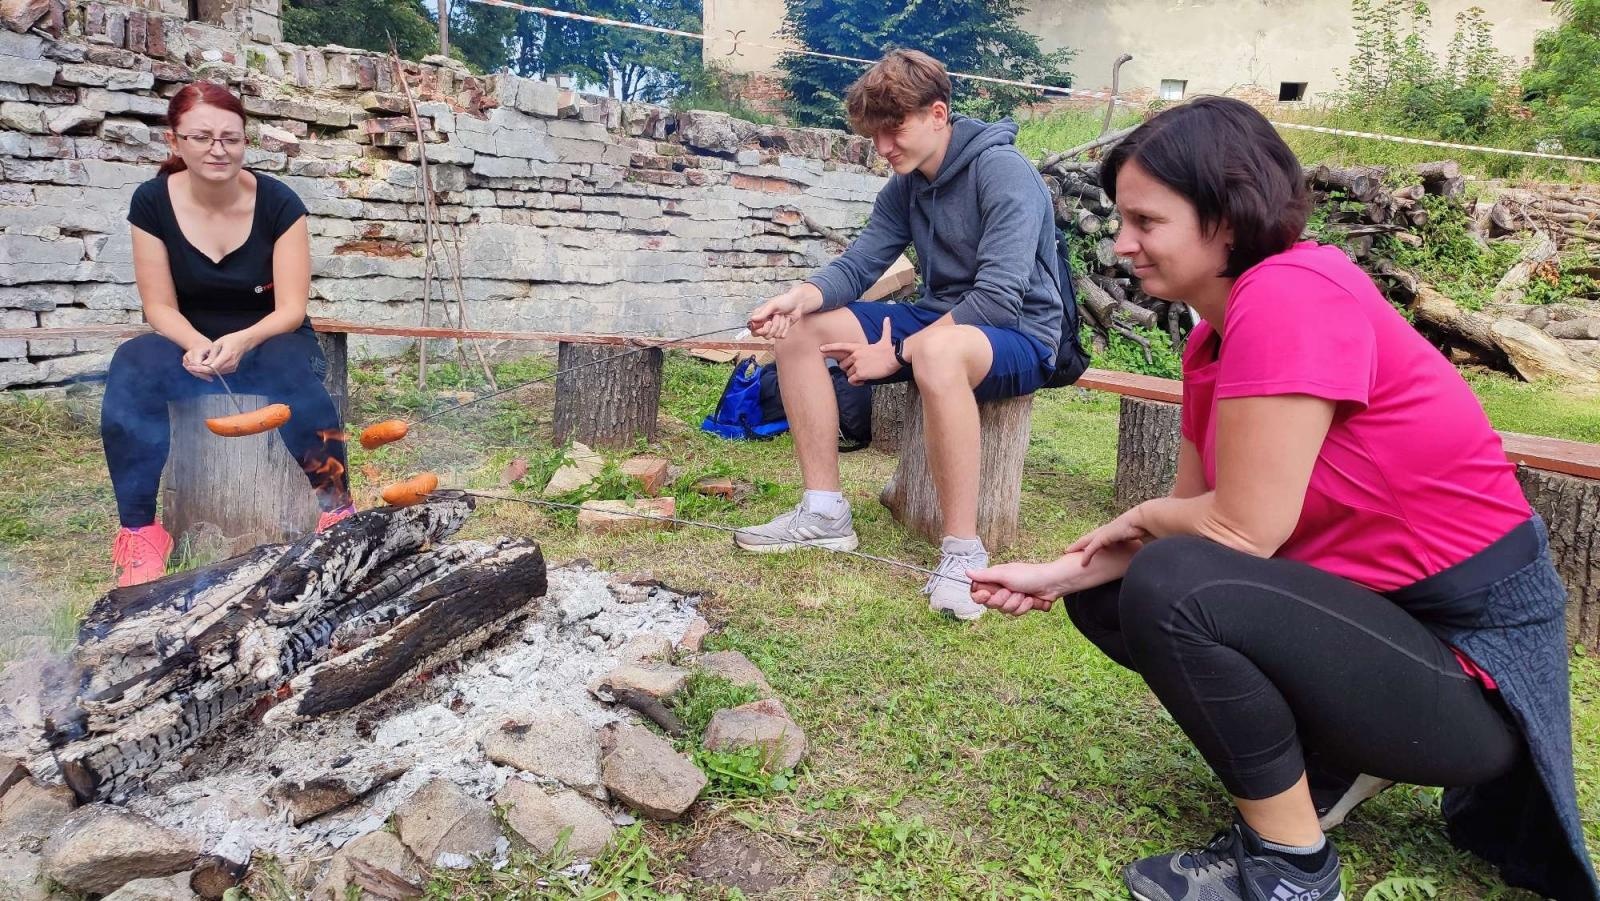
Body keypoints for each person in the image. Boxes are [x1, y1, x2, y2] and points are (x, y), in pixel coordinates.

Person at [968, 96, 1598, 901]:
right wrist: (1058, 574)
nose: (1120, 244)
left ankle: (1293, 866)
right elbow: (1204, 522)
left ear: (1226, 218)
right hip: (1388, 626)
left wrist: (1137, 521)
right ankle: (1333, 764)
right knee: (1121, 590)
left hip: (1476, 670)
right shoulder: (1210, 336)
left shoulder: (1295, 291)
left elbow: (1238, 528)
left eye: (1145, 222)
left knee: (1168, 582)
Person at [737, 50, 1066, 620]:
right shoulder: (907, 186)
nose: (884, 147)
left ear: (938, 114)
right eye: (875, 135)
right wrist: (799, 296)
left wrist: (895, 353)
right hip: (944, 317)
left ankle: (963, 554)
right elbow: (858, 268)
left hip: (1021, 333)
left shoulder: (1004, 172)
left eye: (895, 130)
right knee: (800, 331)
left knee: (937, 352)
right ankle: (824, 513)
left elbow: (996, 299)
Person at [102, 82, 353, 588]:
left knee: (290, 368)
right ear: (176, 143)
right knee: (132, 366)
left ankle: (337, 510)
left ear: (244, 142)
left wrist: (241, 341)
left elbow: (290, 309)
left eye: (231, 138)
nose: (218, 149)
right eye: (202, 137)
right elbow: (158, 306)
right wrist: (195, 344)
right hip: (187, 342)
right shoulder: (151, 202)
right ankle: (141, 533)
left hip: (268, 336)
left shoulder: (280, 203)